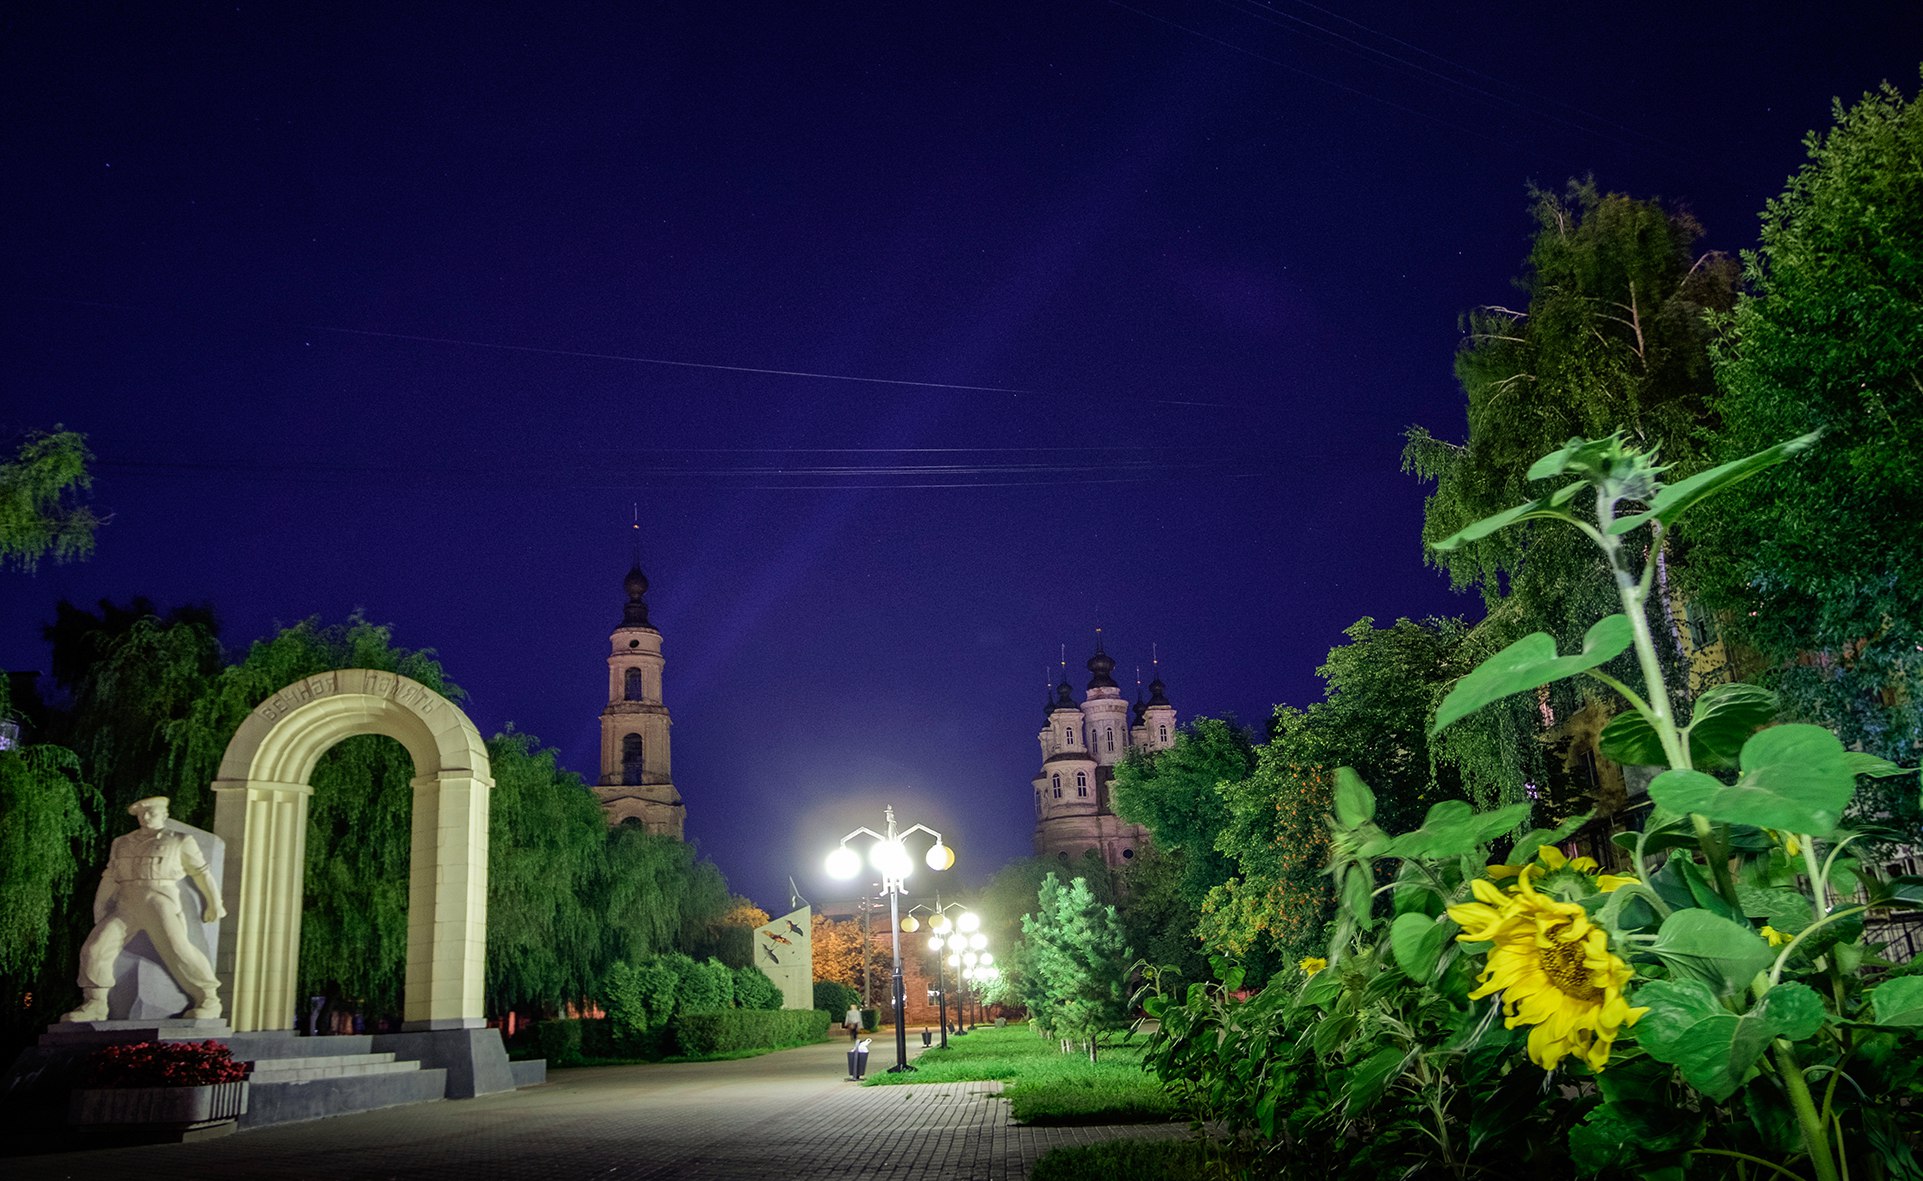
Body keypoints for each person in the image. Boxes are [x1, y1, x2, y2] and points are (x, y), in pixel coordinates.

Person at [62, 797, 226, 1022]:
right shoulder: (122, 842)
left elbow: (201, 872)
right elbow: (110, 877)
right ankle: (95, 1003)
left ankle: (208, 998)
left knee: (178, 949)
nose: (146, 817)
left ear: (165, 815)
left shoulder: (179, 840)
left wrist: (214, 903)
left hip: (160, 901)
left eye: (152, 813)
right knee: (95, 948)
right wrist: (99, 907)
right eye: (141, 814)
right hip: (126, 904)